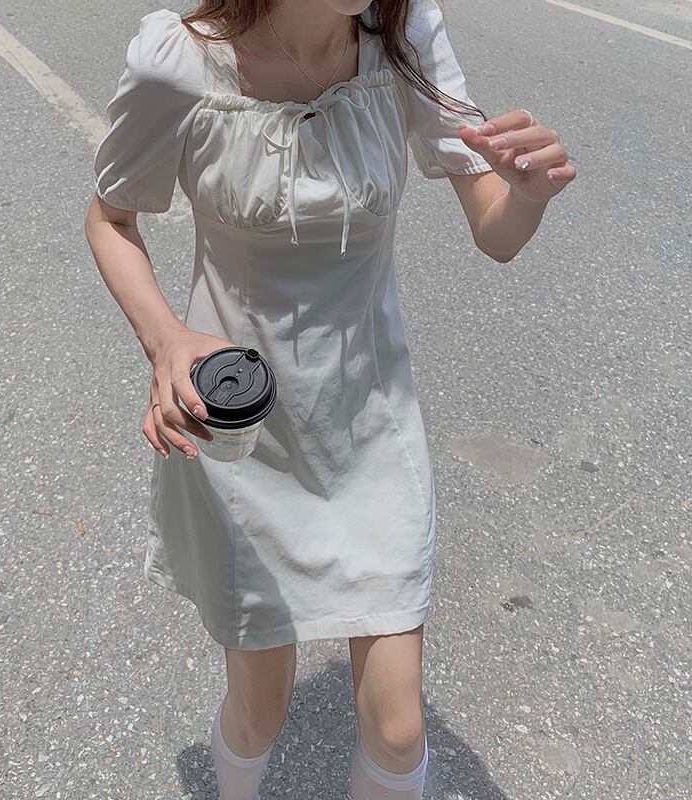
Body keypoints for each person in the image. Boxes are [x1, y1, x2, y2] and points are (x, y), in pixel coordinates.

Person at [84, 0, 576, 797]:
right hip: (245, 441)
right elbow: (110, 219)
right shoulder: (178, 61)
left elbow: (497, 232)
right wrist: (166, 340)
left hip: (370, 428)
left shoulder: (404, 38)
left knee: (399, 729)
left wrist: (527, 194)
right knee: (260, 710)